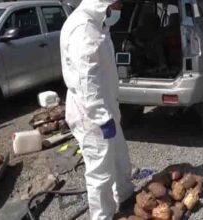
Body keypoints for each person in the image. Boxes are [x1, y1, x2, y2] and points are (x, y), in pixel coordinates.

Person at [60, 0, 134, 219]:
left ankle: (125, 194)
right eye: (118, 5)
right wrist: (101, 117)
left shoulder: (98, 24)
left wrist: (110, 110)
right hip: (91, 114)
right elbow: (87, 81)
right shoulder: (83, 29)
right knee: (100, 171)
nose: (120, 10)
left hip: (105, 107)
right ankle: (103, 215)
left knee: (119, 155)